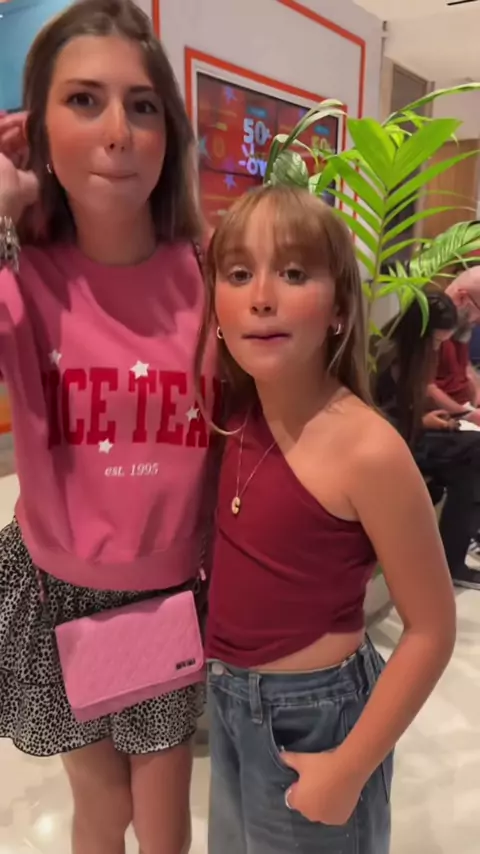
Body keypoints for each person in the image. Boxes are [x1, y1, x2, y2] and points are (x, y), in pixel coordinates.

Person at [0, 2, 215, 853]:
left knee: (161, 817)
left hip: (167, 591)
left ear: (169, 132)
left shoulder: (211, 272)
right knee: (102, 807)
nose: (119, 132)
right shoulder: (22, 272)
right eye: (84, 100)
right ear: (35, 128)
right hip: (56, 591)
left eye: (143, 105)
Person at [195, 185, 456, 854]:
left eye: (292, 273)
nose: (262, 297)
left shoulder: (367, 449)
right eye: (239, 274)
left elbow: (431, 628)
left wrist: (349, 768)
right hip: (228, 701)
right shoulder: (236, 416)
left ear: (339, 307)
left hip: (316, 718)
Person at [375, 290, 480, 590]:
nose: (436, 348)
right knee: (473, 453)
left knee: (468, 463)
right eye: (435, 341)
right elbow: (374, 415)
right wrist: (422, 421)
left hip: (411, 430)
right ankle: (452, 557)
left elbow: (408, 403)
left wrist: (427, 418)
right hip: (393, 439)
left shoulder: (415, 355)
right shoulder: (387, 355)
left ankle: (454, 554)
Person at [429, 266, 480, 424]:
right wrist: (467, 414)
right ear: (462, 297)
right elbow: (424, 388)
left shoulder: (462, 322)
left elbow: (466, 367)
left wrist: (477, 396)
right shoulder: (433, 321)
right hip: (447, 417)